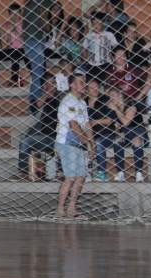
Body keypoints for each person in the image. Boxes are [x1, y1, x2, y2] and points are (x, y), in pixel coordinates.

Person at [56, 74, 91, 218]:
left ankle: (71, 208)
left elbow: (87, 124)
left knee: (80, 176)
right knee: (70, 177)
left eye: (84, 82)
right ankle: (59, 209)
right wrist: (87, 142)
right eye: (80, 82)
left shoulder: (82, 103)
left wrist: (92, 142)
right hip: (67, 142)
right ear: (72, 85)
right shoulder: (68, 101)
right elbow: (73, 125)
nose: (83, 84)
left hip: (79, 143)